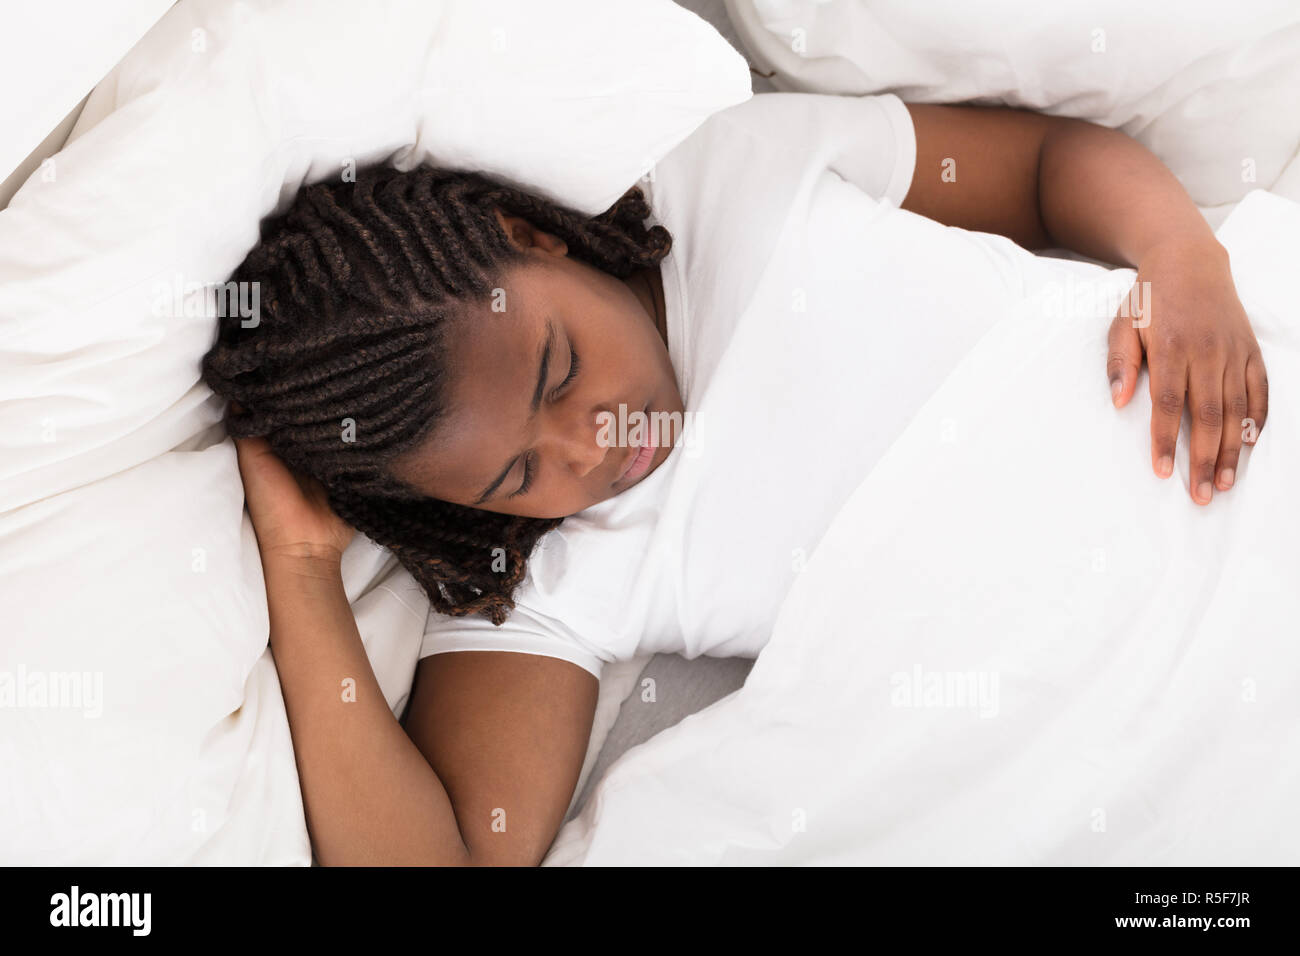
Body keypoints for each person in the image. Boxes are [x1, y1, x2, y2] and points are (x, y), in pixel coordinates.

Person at [201, 92, 1268, 865]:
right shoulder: (549, 579)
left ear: (533, 238)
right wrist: (299, 570)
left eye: (560, 367)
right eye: (520, 473)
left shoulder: (732, 174)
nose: (591, 444)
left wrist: (1183, 262)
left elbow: (1040, 166)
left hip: (1209, 426)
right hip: (1110, 664)